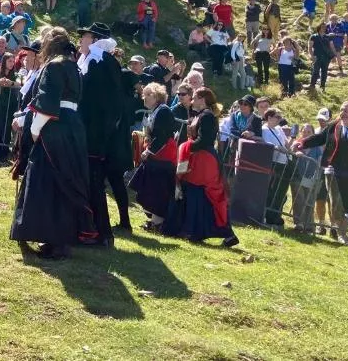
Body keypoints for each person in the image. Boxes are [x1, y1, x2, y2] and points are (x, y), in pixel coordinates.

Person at [10, 29, 95, 259]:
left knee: (46, 182)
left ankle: (52, 239)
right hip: (73, 128)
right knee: (67, 181)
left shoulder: (53, 66)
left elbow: (47, 102)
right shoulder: (74, 67)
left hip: (55, 127)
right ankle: (60, 240)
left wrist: (35, 130)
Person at [162, 87, 239, 247]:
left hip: (205, 160)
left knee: (207, 193)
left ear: (202, 99)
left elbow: (205, 140)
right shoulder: (201, 115)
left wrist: (187, 146)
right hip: (199, 158)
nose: (192, 100)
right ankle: (194, 230)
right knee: (196, 193)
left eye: (195, 97)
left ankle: (224, 232)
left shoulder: (207, 117)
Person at [78, 24, 130, 242]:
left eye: (84, 36)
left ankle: (98, 232)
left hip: (94, 135)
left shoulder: (101, 62)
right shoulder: (95, 61)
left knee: (94, 184)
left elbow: (104, 103)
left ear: (95, 39)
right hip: (91, 132)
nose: (80, 40)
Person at [295, 101, 348, 245]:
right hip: (334, 170)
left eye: (346, 110)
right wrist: (302, 142)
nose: (342, 113)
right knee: (336, 203)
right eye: (341, 110)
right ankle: (341, 233)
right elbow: (320, 138)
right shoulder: (335, 125)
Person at [128, 83, 177, 232]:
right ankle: (152, 220)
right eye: (144, 94)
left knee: (157, 191)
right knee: (142, 187)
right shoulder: (155, 111)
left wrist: (148, 151)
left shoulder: (163, 112)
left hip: (162, 158)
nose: (144, 97)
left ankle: (157, 223)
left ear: (156, 96)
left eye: (148, 94)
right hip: (155, 159)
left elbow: (161, 136)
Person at [259, 107, 293, 226]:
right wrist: (277, 148)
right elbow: (266, 145)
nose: (280, 120)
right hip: (272, 163)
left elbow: (287, 145)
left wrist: (292, 138)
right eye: (277, 117)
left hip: (283, 162)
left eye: (280, 117)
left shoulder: (279, 129)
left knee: (280, 192)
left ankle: (275, 216)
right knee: (271, 191)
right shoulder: (264, 130)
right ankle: (268, 216)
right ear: (269, 117)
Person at [308, 22, 337, 91]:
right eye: (322, 26)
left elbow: (332, 47)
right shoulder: (313, 36)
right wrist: (312, 56)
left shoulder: (328, 37)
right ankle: (312, 85)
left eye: (325, 27)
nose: (324, 28)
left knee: (324, 71)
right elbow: (310, 47)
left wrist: (334, 56)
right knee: (315, 71)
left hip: (326, 57)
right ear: (319, 27)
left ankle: (322, 86)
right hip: (317, 56)